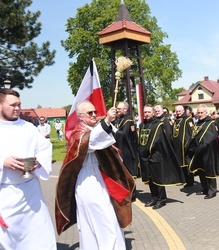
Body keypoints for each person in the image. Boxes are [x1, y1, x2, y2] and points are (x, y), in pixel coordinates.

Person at [55, 101, 135, 249]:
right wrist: (105, 122)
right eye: (89, 113)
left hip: (99, 177)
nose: (94, 115)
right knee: (102, 219)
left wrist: (108, 125)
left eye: (94, 112)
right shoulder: (78, 132)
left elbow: (115, 137)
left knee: (109, 217)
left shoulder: (93, 129)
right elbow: (90, 143)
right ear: (80, 116)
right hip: (87, 180)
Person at [0, 89, 56, 249]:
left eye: (19, 105)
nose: (17, 108)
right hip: (5, 193)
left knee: (39, 236)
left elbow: (44, 147)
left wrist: (39, 161)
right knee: (8, 239)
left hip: (31, 193)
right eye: (12, 105)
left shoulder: (28, 127)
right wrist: (3, 162)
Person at [138, 105, 185, 209]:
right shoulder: (142, 125)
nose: (146, 114)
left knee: (158, 179)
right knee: (150, 179)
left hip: (156, 156)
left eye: (149, 112)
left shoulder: (158, 125)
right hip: (145, 157)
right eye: (145, 112)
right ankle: (154, 197)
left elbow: (158, 141)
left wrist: (147, 150)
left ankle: (162, 199)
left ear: (153, 113)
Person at [186, 104, 219, 199]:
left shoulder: (210, 123)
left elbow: (210, 138)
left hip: (208, 152)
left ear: (206, 113)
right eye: (198, 113)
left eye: (201, 112)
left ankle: (212, 190)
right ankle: (205, 188)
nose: (199, 114)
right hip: (198, 152)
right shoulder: (197, 123)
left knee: (209, 171)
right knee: (201, 171)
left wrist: (201, 146)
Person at [114, 101, 140, 178]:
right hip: (120, 147)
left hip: (127, 149)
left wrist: (115, 131)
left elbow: (124, 134)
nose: (117, 110)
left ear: (125, 109)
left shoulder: (128, 120)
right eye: (117, 108)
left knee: (128, 172)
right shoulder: (119, 119)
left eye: (119, 109)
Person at [172, 105, 195, 188]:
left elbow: (191, 132)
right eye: (176, 111)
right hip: (177, 146)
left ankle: (189, 181)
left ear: (183, 111)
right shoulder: (176, 120)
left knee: (186, 164)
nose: (178, 113)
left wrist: (187, 144)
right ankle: (182, 179)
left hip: (185, 146)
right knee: (179, 164)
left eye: (179, 111)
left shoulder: (187, 119)